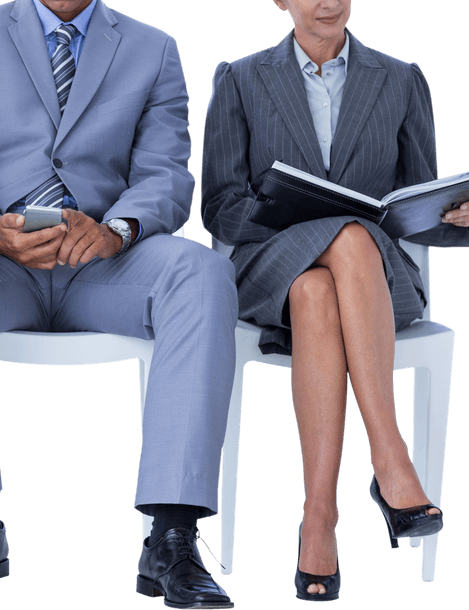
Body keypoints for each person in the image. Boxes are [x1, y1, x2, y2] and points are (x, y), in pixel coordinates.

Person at [0, 1, 238, 606]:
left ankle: (172, 536)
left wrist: (118, 229)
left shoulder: (154, 48)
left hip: (105, 262)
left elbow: (166, 176)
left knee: (203, 275)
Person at [201, 0, 453, 601]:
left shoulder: (402, 79)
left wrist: (456, 219)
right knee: (339, 239)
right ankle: (391, 461)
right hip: (269, 270)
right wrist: (293, 213)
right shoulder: (239, 78)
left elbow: (419, 205)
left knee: (323, 284)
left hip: (375, 284)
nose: (327, 1)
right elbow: (218, 205)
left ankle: (320, 517)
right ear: (281, 1)